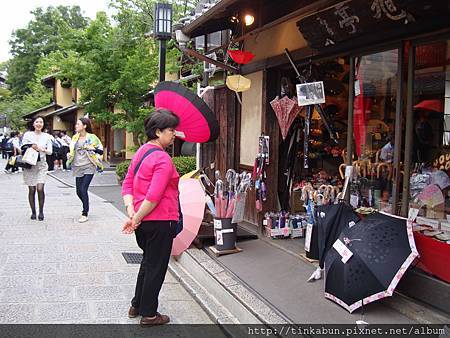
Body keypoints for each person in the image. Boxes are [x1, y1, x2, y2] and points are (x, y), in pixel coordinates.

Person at [121, 109, 180, 326]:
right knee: (156, 267)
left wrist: (132, 213)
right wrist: (135, 218)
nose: (174, 134)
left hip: (143, 222)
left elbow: (127, 184)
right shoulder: (163, 159)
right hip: (160, 221)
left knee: (147, 263)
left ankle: (137, 304)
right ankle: (149, 314)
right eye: (171, 130)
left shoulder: (141, 152)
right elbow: (153, 197)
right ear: (158, 132)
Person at [67, 117, 104, 223]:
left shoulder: (92, 137)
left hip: (89, 165)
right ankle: (86, 204)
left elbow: (101, 150)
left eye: (78, 124)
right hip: (77, 166)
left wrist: (94, 149)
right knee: (78, 191)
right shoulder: (74, 138)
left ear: (85, 126)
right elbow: (71, 150)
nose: (76, 126)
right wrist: (70, 155)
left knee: (83, 189)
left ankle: (85, 213)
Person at [22, 116, 53, 221]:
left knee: (40, 188)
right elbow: (22, 147)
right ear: (33, 124)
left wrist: (41, 149)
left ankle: (41, 211)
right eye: (37, 122)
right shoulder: (27, 135)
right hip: (30, 165)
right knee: (32, 189)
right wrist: (31, 146)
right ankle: (33, 212)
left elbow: (50, 151)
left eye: (41, 122)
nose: (39, 124)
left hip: (41, 165)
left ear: (43, 124)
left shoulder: (47, 136)